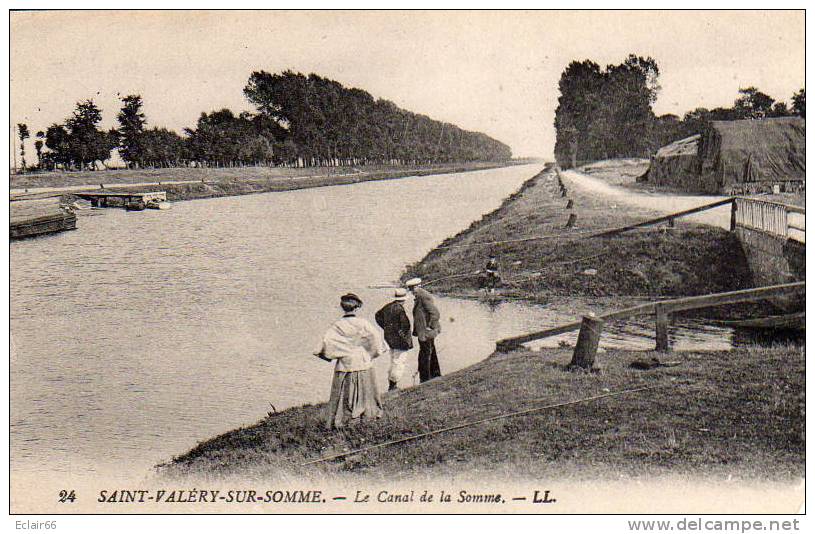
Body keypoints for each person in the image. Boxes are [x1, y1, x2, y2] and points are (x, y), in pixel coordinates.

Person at [314, 293, 386, 430]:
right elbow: (376, 341)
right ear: (357, 307)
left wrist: (334, 355)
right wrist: (370, 354)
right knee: (365, 388)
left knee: (343, 391)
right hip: (363, 360)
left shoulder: (337, 326)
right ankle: (366, 415)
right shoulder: (363, 323)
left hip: (345, 363)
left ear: (343, 308)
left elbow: (325, 345)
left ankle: (342, 419)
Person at [374, 288, 413, 391]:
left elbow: (377, 316)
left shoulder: (388, 307)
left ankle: (391, 384)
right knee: (399, 362)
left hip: (389, 339)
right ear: (403, 300)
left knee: (393, 361)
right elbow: (405, 325)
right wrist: (404, 337)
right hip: (400, 340)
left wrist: (386, 328)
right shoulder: (400, 310)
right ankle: (393, 385)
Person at [405, 278, 442, 382]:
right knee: (430, 351)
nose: (412, 292)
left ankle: (425, 378)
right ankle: (435, 374)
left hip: (426, 332)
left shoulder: (423, 296)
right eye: (411, 289)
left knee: (425, 353)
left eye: (413, 289)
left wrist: (430, 326)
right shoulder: (420, 296)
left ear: (418, 286)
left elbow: (435, 313)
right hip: (424, 331)